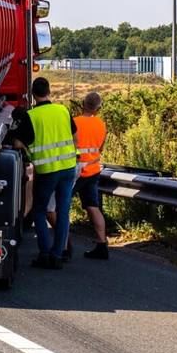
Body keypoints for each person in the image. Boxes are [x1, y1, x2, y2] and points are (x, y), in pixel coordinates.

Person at [26, 77, 79, 269]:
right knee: (63, 211)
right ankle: (58, 254)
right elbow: (74, 136)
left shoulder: (31, 116)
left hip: (48, 171)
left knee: (40, 210)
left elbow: (20, 142)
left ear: (33, 94)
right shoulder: (63, 110)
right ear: (49, 91)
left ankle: (45, 253)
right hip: (68, 168)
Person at [73, 91, 110, 260]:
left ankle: (64, 246)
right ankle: (102, 244)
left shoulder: (74, 122)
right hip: (93, 170)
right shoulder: (102, 125)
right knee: (93, 207)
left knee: (59, 207)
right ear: (98, 108)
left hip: (75, 171)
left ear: (83, 104)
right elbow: (99, 149)